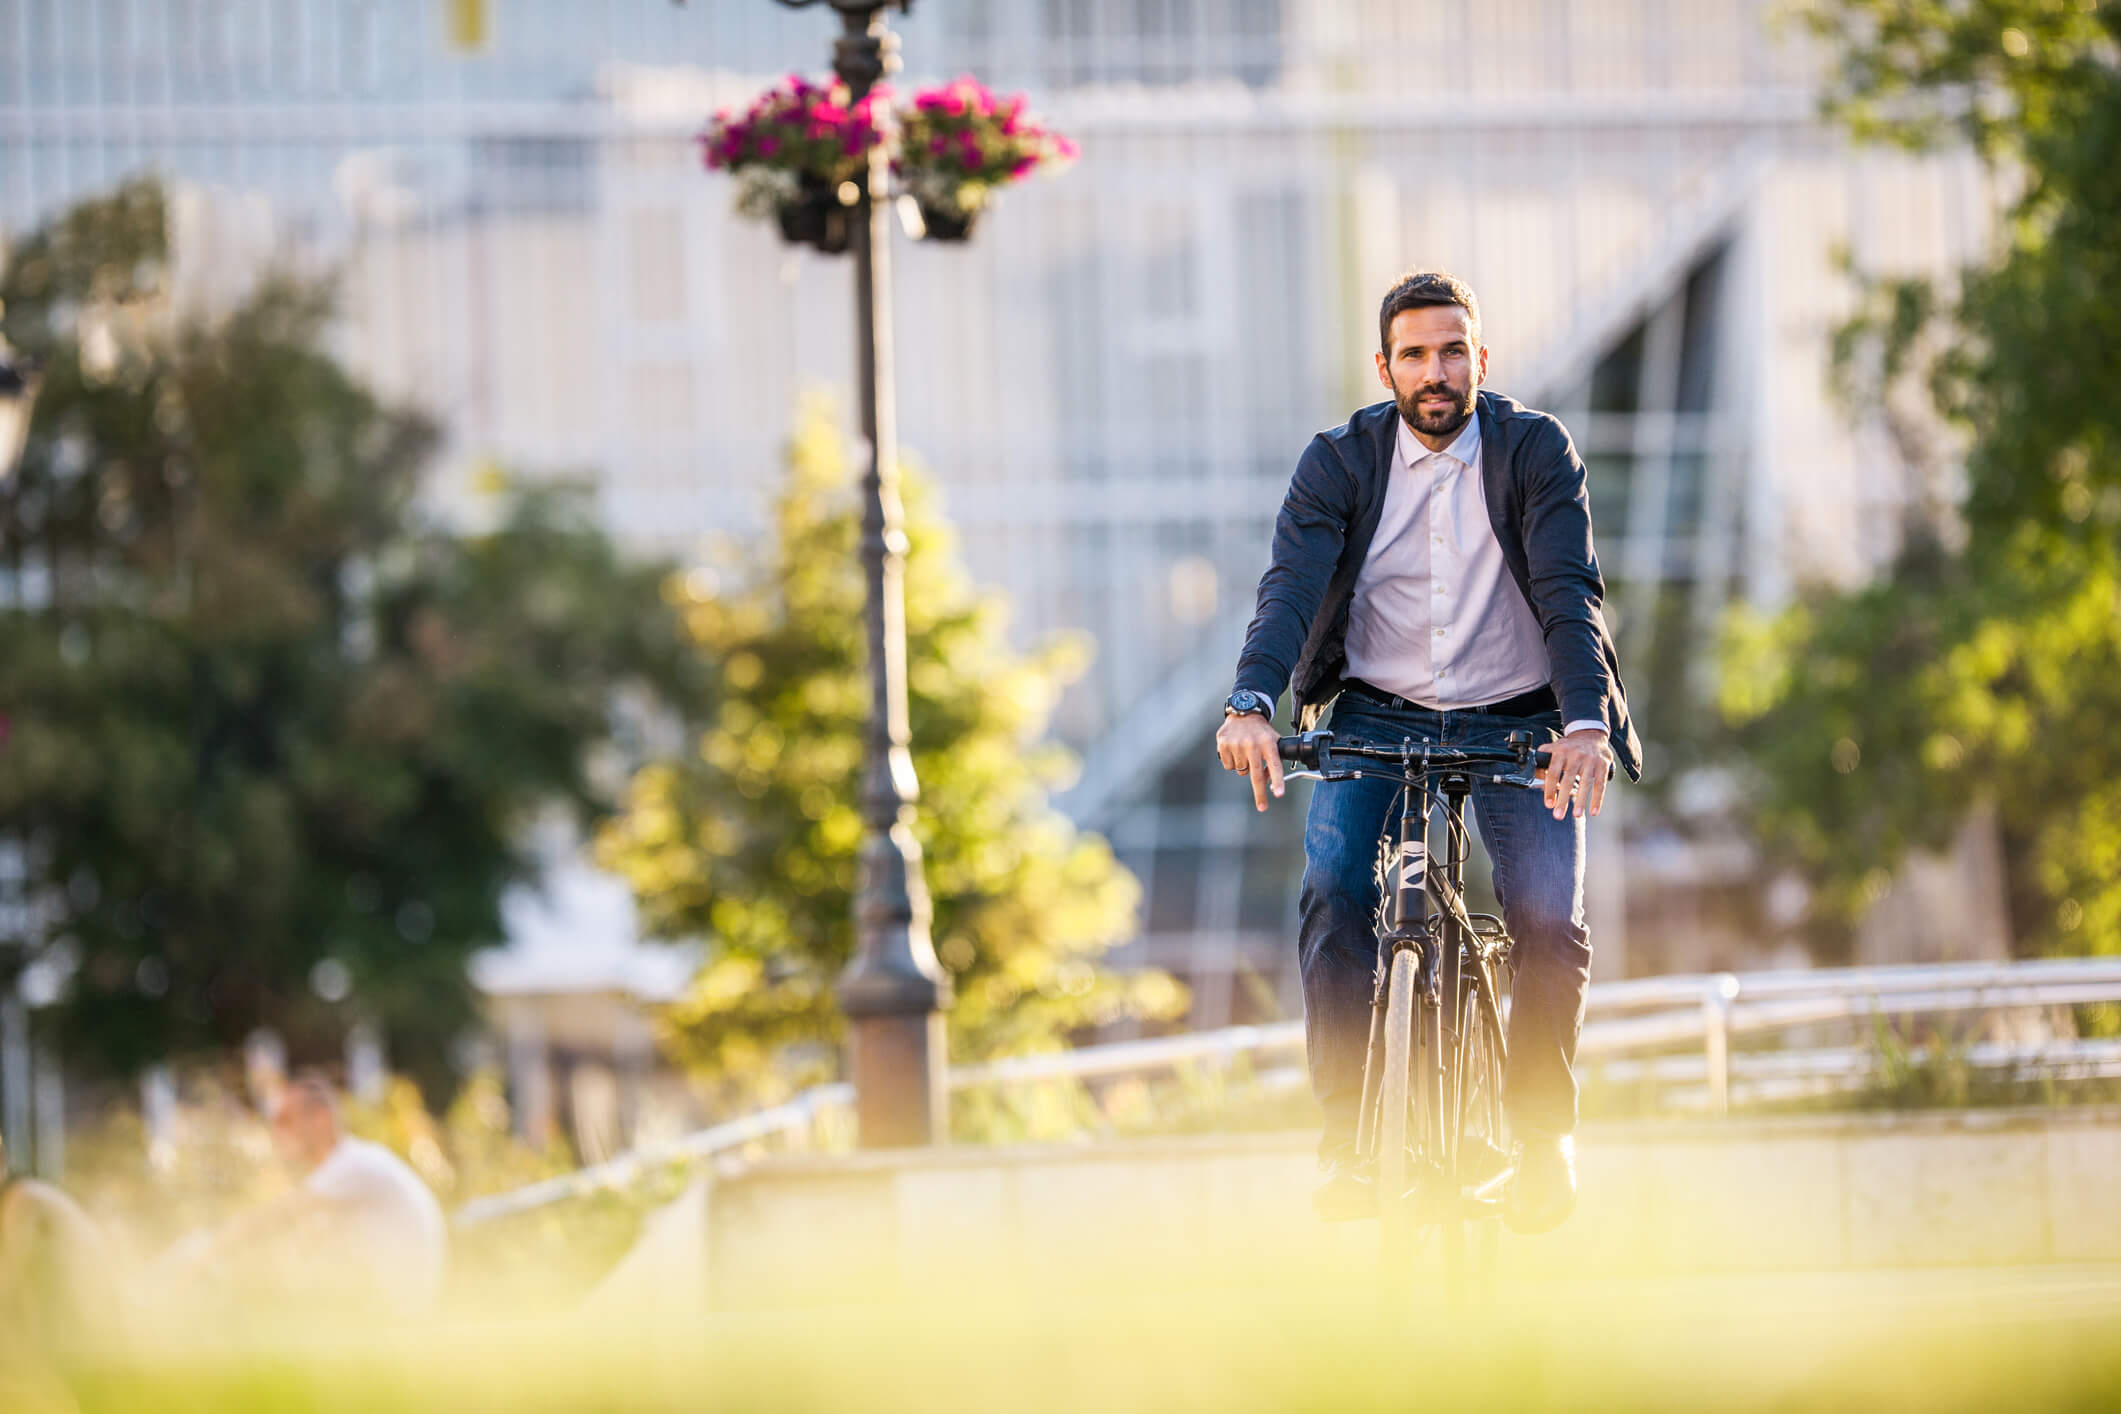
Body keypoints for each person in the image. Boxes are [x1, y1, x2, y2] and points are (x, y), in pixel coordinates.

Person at [1216, 270, 1641, 1233]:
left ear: (1481, 361)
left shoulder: (1535, 450)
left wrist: (1583, 723)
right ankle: (1347, 1145)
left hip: (1521, 717)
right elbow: (1289, 588)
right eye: (1414, 355)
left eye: (1453, 351)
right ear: (1384, 368)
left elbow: (1570, 591)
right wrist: (1251, 699)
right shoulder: (1338, 463)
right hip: (1375, 711)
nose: (1435, 372)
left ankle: (1540, 1136)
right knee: (1333, 888)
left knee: (1544, 914)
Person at [195, 1072, 448, 1316]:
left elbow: (268, 1220)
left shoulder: (352, 1164)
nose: (276, 1133)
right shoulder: (351, 1166)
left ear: (321, 1118)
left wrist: (201, 1257)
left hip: (391, 1312)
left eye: (285, 1120)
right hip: (386, 1307)